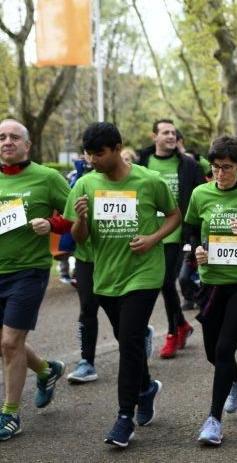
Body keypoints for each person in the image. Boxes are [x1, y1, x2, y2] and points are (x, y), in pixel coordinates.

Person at [67, 122, 181, 447]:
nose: (92, 159)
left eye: (98, 153)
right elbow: (79, 239)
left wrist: (153, 238)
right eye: (88, 153)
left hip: (144, 273)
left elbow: (174, 215)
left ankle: (123, 418)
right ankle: (145, 388)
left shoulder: (149, 180)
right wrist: (81, 220)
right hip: (106, 277)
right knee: (128, 342)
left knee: (129, 340)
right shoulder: (85, 184)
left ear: (118, 147)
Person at [184, 136, 237, 445]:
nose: (221, 174)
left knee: (223, 349)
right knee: (212, 354)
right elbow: (192, 229)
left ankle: (213, 420)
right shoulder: (200, 194)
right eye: (216, 168)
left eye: (228, 168)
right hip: (212, 284)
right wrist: (196, 250)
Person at [0, 119, 70, 442]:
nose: (7, 142)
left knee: (10, 342)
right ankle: (46, 370)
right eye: (2, 137)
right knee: (3, 342)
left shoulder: (47, 177)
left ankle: (10, 414)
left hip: (28, 271)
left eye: (14, 137)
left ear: (27, 146)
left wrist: (53, 223)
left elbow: (76, 217)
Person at [137, 119, 205, 359]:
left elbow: (199, 203)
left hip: (176, 232)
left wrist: (197, 241)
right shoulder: (141, 164)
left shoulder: (189, 165)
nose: (170, 136)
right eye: (165, 132)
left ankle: (172, 332)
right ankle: (182, 325)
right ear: (154, 136)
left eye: (173, 133)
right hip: (146, 233)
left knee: (165, 281)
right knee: (157, 284)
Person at [66, 151, 102, 383]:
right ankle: (86, 361)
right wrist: (81, 218)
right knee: (88, 306)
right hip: (86, 256)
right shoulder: (80, 182)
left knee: (121, 312)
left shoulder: (131, 178)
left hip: (118, 257)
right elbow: (75, 232)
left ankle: (140, 332)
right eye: (89, 152)